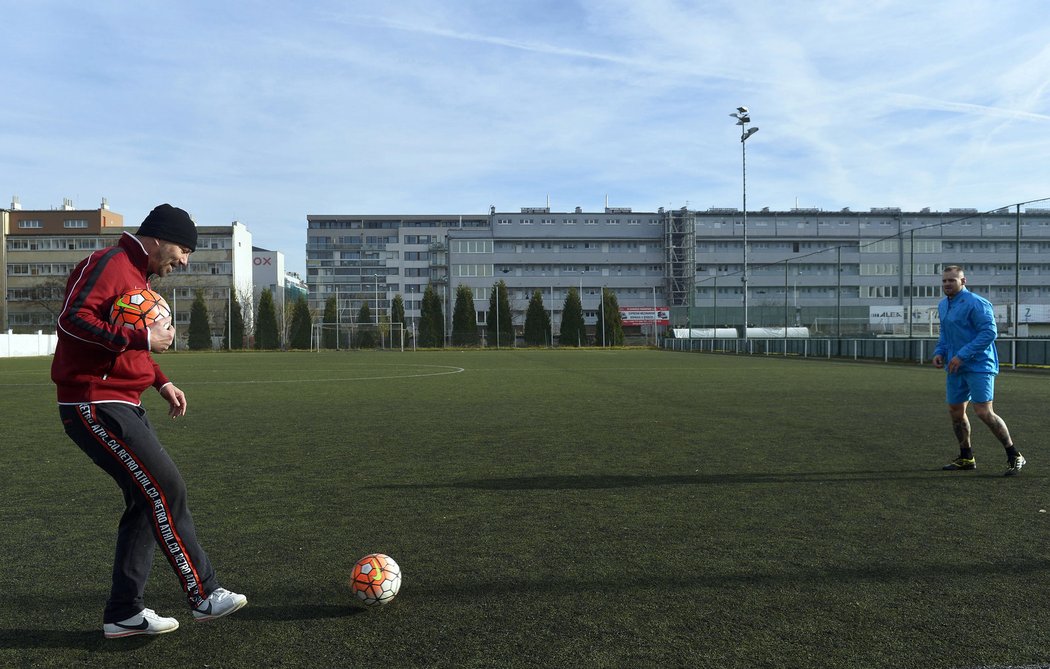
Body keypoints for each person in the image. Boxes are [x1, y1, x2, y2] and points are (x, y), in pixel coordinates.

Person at [52, 204, 247, 638]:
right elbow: (71, 321)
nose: (184, 261)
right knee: (167, 487)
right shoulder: (109, 263)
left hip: (122, 400)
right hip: (93, 402)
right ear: (158, 238)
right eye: (183, 250)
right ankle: (204, 594)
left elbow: (129, 346)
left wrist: (160, 381)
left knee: (145, 499)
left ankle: (124, 614)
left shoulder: (138, 277)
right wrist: (142, 335)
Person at [932, 265, 1025, 476]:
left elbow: (989, 333)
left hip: (980, 365)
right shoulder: (943, 305)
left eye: (951, 280)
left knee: (983, 412)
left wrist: (962, 355)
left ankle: (1014, 455)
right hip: (955, 366)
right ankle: (966, 457)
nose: (947, 284)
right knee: (956, 412)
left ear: (963, 281)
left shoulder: (976, 303)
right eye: (944, 281)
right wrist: (940, 351)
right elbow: (945, 334)